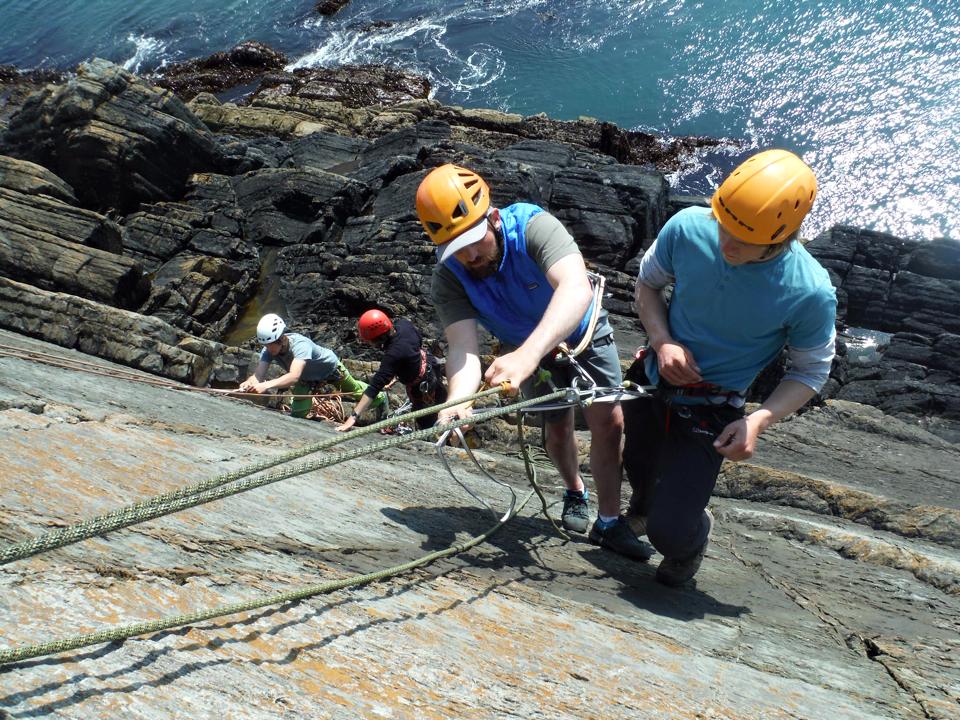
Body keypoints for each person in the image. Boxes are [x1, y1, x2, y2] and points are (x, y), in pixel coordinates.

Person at [416, 162, 650, 561]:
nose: (470, 254)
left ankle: (609, 521)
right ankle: (575, 490)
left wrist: (527, 354)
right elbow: (462, 349)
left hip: (582, 334)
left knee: (608, 423)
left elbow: (576, 290)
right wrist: (458, 403)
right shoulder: (450, 277)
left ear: (492, 217)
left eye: (475, 239)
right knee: (556, 427)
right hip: (526, 352)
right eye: (457, 248)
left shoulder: (533, 227)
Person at [625, 149, 837, 586]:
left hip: (712, 408)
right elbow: (648, 285)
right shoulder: (687, 228)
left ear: (783, 234)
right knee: (638, 464)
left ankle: (690, 535)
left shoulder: (808, 291)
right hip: (652, 379)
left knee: (671, 530)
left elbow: (811, 370)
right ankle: (645, 509)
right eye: (724, 226)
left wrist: (758, 420)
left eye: (744, 239)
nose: (727, 244)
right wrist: (663, 342)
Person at [239, 313, 386, 419]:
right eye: (265, 345)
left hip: (331, 369)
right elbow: (258, 375)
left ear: (281, 338)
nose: (267, 348)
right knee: (298, 414)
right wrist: (248, 383)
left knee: (356, 392)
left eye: (270, 344)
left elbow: (293, 376)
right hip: (306, 378)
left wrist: (266, 386)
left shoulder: (300, 345)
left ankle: (381, 397)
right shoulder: (268, 351)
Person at [336, 309, 447, 432]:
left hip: (421, 389)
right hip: (431, 367)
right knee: (443, 401)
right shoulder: (404, 325)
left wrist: (353, 417)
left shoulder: (392, 355)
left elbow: (374, 388)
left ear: (376, 339)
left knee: (427, 422)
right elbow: (417, 344)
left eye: (368, 341)